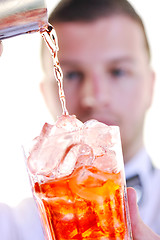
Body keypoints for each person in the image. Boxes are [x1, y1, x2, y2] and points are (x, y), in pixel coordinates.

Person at [0, 1, 160, 240]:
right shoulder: (13, 227)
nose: (94, 97)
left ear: (150, 85)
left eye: (118, 71)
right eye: (72, 74)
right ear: (45, 93)